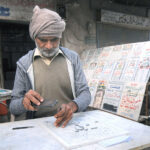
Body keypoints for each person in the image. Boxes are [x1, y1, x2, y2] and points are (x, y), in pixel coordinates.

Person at [9, 6, 91, 127]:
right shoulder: (24, 64)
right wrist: (23, 102)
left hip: (69, 123)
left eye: (54, 40)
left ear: (60, 37)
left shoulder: (73, 58)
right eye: (43, 40)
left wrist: (72, 106)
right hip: (38, 127)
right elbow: (12, 107)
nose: (49, 46)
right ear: (35, 37)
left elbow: (85, 94)